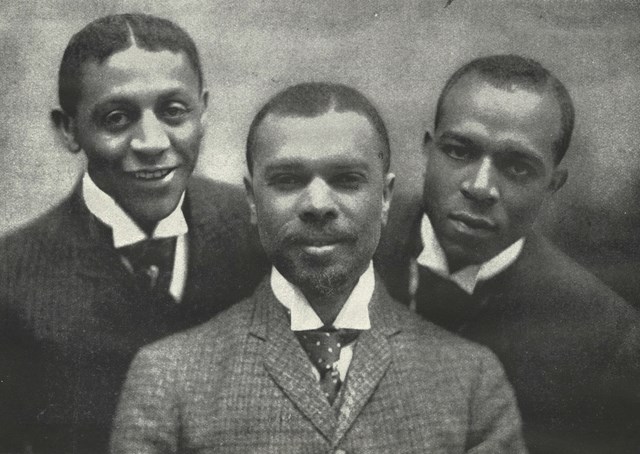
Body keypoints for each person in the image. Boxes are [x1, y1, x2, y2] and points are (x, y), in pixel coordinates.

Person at [110, 82, 525, 453]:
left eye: (346, 179)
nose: (317, 206)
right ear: (252, 201)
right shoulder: (168, 380)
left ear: (384, 197)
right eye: (288, 181)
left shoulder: (471, 382)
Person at [0, 13, 268, 454]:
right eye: (117, 117)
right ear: (69, 129)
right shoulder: (13, 276)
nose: (152, 142)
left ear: (203, 110)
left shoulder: (258, 231)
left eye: (174, 111)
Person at [375, 54, 640, 454]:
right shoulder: (349, 248)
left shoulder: (607, 338)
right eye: (459, 151)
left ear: (553, 184)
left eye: (516, 168)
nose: (480, 187)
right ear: (428, 150)